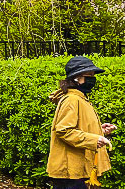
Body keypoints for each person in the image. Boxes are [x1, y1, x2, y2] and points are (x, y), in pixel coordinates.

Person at [47, 56, 114, 189]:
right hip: (69, 173)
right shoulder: (72, 100)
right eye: (88, 75)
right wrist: (94, 140)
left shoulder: (80, 98)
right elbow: (64, 131)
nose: (92, 79)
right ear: (76, 78)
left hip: (75, 170)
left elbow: (77, 126)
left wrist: (99, 130)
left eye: (93, 75)